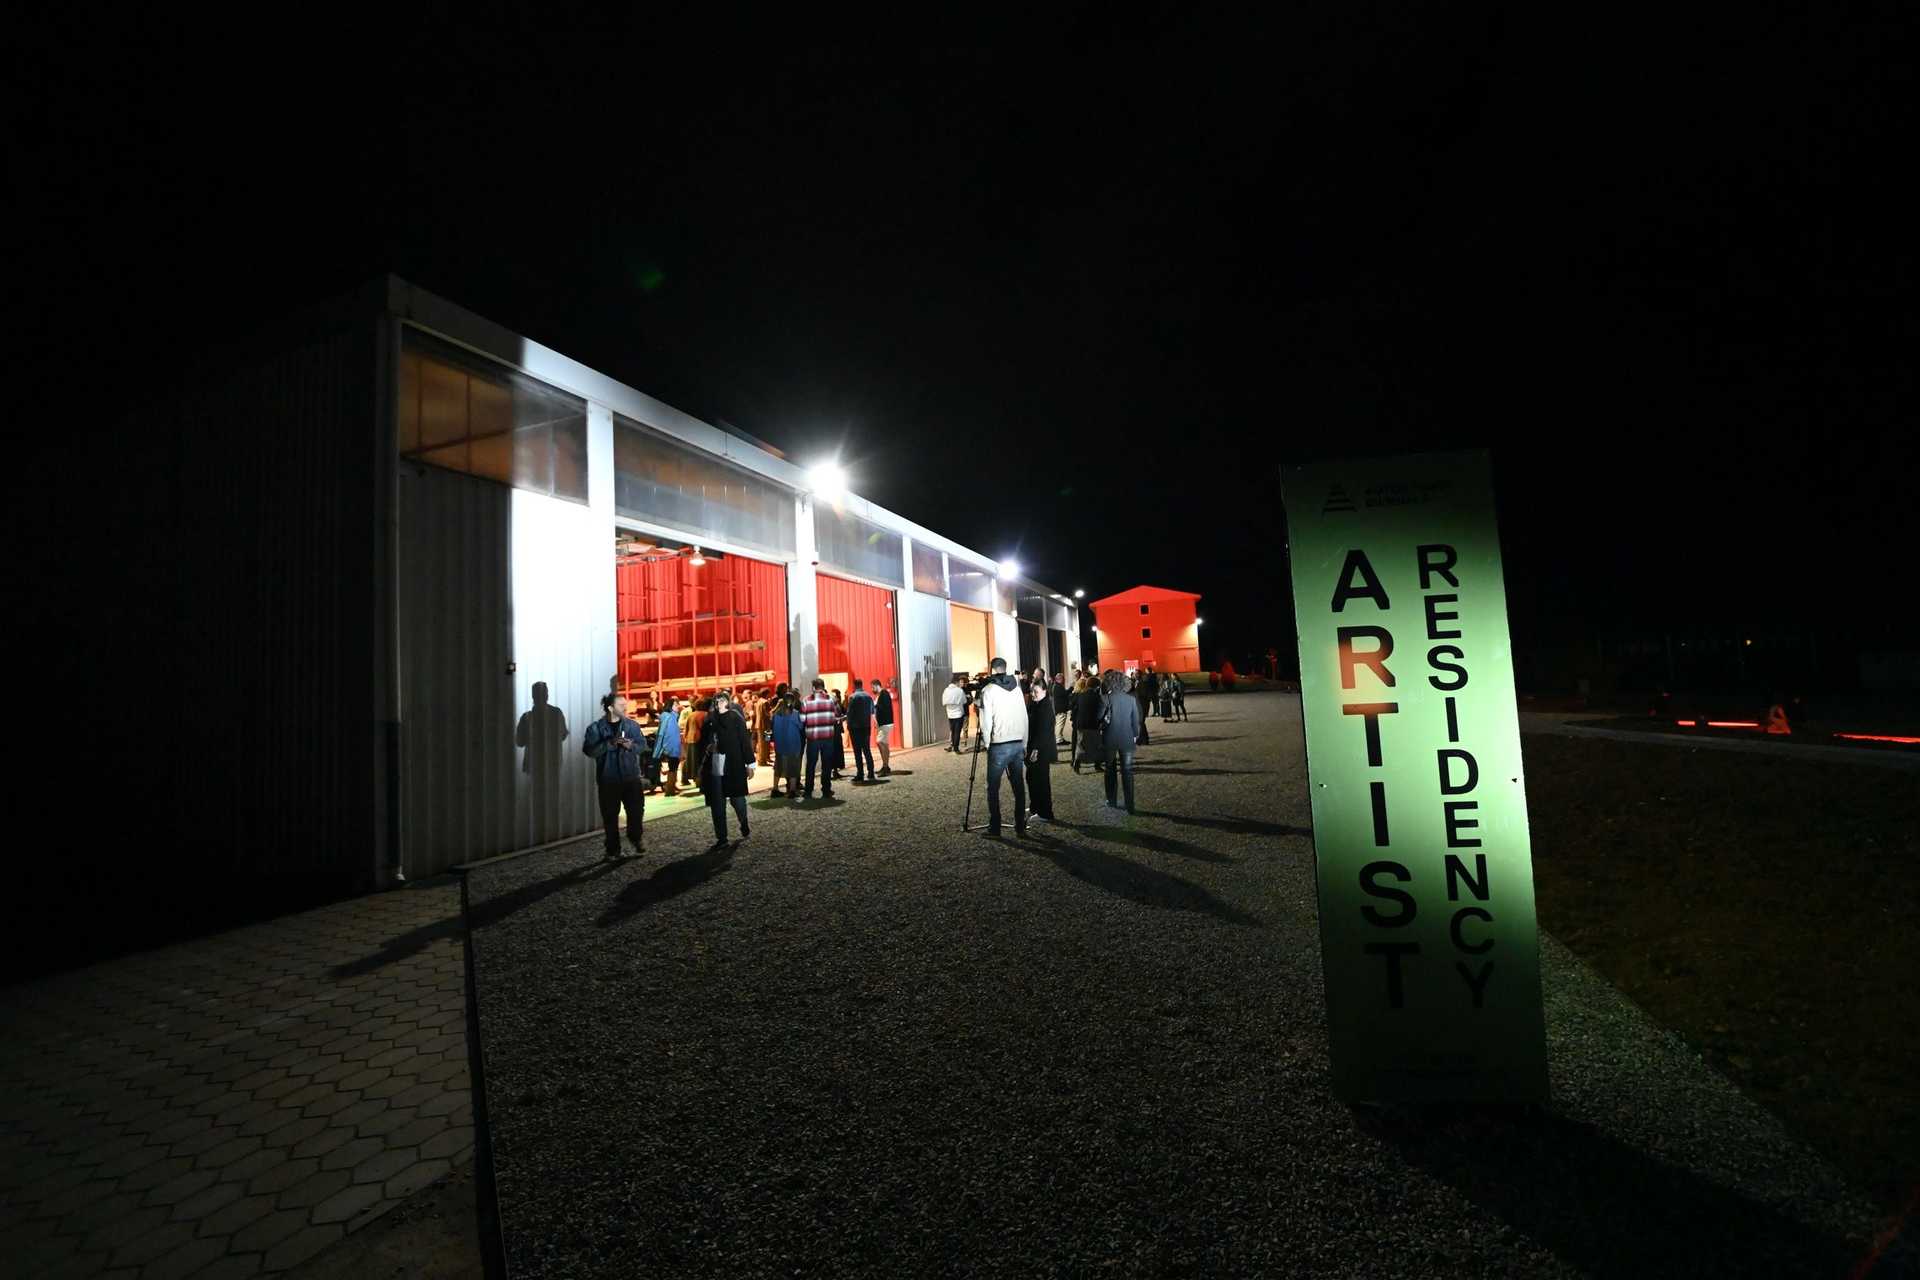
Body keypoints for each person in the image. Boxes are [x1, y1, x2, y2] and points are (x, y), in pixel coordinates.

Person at [583, 691, 647, 859]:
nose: (625, 707)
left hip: (631, 776)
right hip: (608, 779)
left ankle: (636, 838)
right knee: (610, 815)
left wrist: (631, 745)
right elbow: (590, 751)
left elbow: (642, 745)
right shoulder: (595, 728)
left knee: (636, 811)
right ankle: (612, 849)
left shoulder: (631, 726)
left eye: (625, 704)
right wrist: (610, 744)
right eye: (621, 705)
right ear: (610, 708)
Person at [977, 657, 1029, 838]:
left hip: (999, 744)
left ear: (991, 669)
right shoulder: (1016, 689)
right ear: (1005, 669)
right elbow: (1024, 716)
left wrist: (987, 743)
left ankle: (995, 827)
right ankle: (1020, 826)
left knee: (993, 787)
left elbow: (986, 721)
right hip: (1017, 742)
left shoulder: (988, 690)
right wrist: (1024, 742)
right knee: (1018, 786)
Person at [699, 691, 755, 847]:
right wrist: (708, 747)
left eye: (722, 700)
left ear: (728, 702)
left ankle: (743, 822)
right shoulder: (710, 719)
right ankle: (722, 838)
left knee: (737, 799)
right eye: (717, 701)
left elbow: (745, 741)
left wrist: (750, 764)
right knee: (718, 801)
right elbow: (703, 741)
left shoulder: (736, 717)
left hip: (734, 762)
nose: (719, 703)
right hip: (717, 762)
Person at [1100, 669, 1143, 813]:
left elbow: (1098, 719)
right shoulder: (1130, 699)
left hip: (1110, 738)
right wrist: (1135, 735)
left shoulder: (1105, 699)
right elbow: (1136, 721)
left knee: (1110, 769)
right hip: (1127, 738)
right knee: (1127, 771)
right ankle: (1130, 804)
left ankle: (1111, 800)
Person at [1025, 671, 1057, 823]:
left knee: (1041, 780)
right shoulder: (1036, 704)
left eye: (1035, 691)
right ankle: (1035, 806)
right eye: (1031, 691)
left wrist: (1035, 750)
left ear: (1044, 690)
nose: (1033, 694)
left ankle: (1045, 812)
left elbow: (1044, 731)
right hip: (1034, 747)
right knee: (1031, 778)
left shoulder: (1045, 707)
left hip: (1041, 749)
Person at [801, 678, 838, 799]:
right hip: (828, 737)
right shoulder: (831, 699)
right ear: (823, 686)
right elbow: (834, 717)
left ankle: (808, 791)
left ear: (813, 687)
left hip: (813, 737)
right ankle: (826, 790)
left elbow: (802, 719)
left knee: (811, 765)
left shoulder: (806, 700)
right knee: (827, 764)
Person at [771, 694, 803, 799]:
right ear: (793, 702)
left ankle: (775, 789)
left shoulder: (776, 714)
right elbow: (800, 726)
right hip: (793, 745)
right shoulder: (795, 714)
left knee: (778, 768)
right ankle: (792, 790)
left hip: (780, 745)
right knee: (793, 768)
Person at [1071, 674, 1105, 773]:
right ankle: (1097, 765)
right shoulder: (1097, 696)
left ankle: (1077, 763)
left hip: (1081, 723)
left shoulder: (1080, 695)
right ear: (1097, 686)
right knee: (1096, 744)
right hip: (1093, 723)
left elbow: (1075, 708)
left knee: (1081, 744)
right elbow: (1100, 710)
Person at [846, 678, 877, 783]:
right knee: (867, 750)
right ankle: (871, 772)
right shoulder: (868, 696)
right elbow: (872, 711)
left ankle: (860, 773)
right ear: (861, 685)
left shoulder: (852, 697)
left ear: (854, 686)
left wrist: (848, 726)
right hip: (866, 726)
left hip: (855, 727)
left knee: (857, 751)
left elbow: (849, 713)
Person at [652, 694, 684, 793]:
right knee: (673, 767)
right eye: (675, 705)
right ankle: (670, 789)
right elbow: (663, 734)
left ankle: (671, 786)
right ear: (670, 706)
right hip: (670, 747)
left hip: (674, 746)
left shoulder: (673, 717)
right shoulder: (668, 717)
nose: (677, 706)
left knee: (674, 766)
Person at [874, 678, 896, 775]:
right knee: (885, 744)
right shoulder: (881, 694)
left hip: (885, 723)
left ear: (876, 685)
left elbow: (884, 707)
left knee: (879, 742)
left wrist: (875, 705)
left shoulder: (884, 694)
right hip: (884, 723)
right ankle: (885, 766)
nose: (872, 689)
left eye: (873, 687)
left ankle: (885, 766)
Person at [943, 674, 968, 752]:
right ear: (956, 682)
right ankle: (956, 748)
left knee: (952, 730)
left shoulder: (946, 690)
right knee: (957, 731)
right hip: (958, 714)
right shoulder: (959, 691)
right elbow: (965, 701)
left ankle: (952, 745)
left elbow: (943, 702)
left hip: (949, 714)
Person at [751, 689, 774, 767]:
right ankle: (762, 760)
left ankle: (765, 758)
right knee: (765, 743)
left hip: (759, 725)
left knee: (763, 743)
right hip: (765, 725)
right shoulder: (765, 702)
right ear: (766, 694)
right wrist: (775, 708)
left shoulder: (758, 702)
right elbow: (768, 714)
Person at [829, 688, 848, 780]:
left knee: (838, 751)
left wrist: (843, 717)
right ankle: (832, 771)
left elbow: (844, 712)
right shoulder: (830, 705)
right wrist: (840, 719)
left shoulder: (838, 705)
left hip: (837, 730)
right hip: (832, 730)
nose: (833, 697)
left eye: (835, 696)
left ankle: (836, 770)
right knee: (833, 751)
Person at [1049, 671, 1072, 745]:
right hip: (1060, 708)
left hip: (1059, 708)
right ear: (1060, 679)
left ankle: (1060, 738)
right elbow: (1065, 694)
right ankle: (1059, 739)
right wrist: (1071, 688)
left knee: (1060, 724)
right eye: (1063, 678)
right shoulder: (1058, 686)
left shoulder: (1056, 685)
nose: (1064, 680)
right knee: (1060, 724)